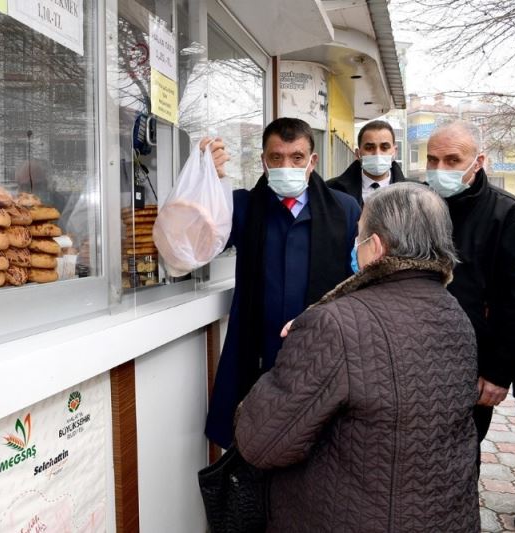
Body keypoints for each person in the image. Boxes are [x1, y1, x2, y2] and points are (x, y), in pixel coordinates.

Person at [235, 183, 479, 532]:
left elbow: (262, 442)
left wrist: (298, 351)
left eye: (359, 236)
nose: (354, 247)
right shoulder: (454, 313)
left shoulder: (335, 324)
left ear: (376, 247)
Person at [202, 117, 360, 449]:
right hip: (257, 350)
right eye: (276, 158)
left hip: (321, 354)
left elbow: (359, 280)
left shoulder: (343, 209)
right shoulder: (242, 206)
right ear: (263, 161)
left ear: (312, 161)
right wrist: (208, 183)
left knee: (317, 447)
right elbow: (200, 241)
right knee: (254, 443)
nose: (286, 165)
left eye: (297, 157)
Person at [425, 121, 515, 450]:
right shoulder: (419, 204)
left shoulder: (510, 216)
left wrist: (497, 372)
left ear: (478, 161)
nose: (439, 169)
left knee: (461, 457)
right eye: (432, 160)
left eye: (451, 160)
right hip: (417, 357)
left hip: (473, 364)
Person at [327, 119, 406, 207]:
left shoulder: (414, 193)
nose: (377, 154)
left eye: (384, 147)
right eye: (369, 148)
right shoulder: (331, 190)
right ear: (358, 153)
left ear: (395, 152)